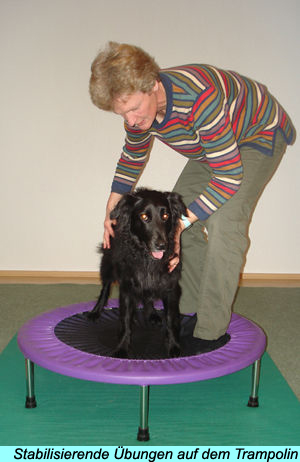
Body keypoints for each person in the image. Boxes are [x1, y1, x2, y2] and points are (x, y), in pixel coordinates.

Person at [89, 41, 296, 352]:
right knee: (177, 218)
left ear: (153, 84)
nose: (130, 120)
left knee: (225, 223)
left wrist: (181, 224)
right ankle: (190, 306)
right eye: (122, 113)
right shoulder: (139, 113)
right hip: (213, 146)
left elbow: (228, 176)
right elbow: (133, 156)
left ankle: (210, 332)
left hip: (258, 134)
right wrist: (111, 208)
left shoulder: (198, 100)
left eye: (133, 109)